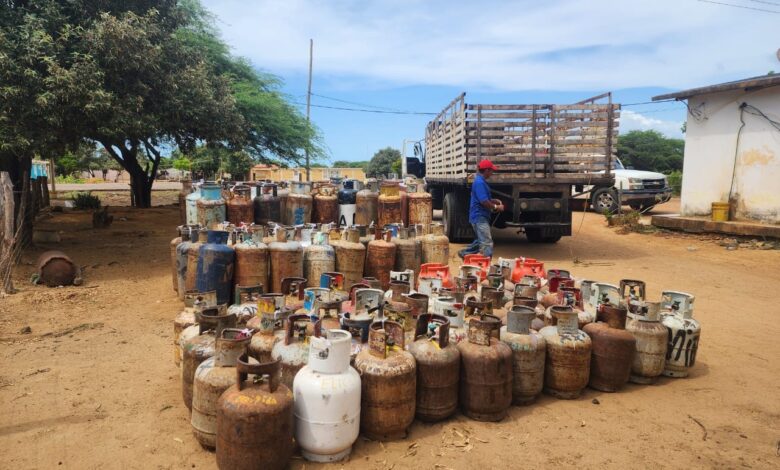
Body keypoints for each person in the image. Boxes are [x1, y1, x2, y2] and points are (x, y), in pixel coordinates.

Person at [458, 160, 504, 259]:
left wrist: (493, 200)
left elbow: (482, 198)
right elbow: (483, 201)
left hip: (480, 216)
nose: (492, 173)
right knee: (487, 243)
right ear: (487, 170)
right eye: (491, 171)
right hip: (479, 216)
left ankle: (464, 253)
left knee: (480, 241)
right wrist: (496, 207)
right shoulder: (479, 183)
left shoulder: (481, 182)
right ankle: (486, 265)